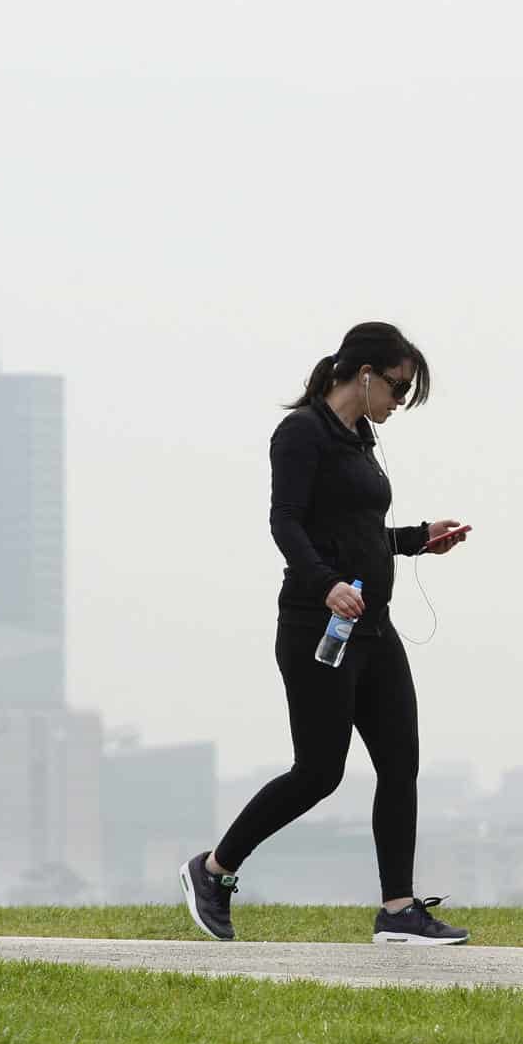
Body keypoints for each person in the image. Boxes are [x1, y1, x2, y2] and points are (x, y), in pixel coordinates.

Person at [181, 321, 474, 945]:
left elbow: (361, 538)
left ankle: (398, 911)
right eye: (397, 388)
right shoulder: (302, 433)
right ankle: (213, 870)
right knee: (319, 772)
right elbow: (285, 522)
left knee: (401, 765)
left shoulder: (360, 439)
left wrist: (421, 538)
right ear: (364, 374)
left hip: (374, 628)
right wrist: (325, 584)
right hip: (318, 625)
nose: (399, 403)